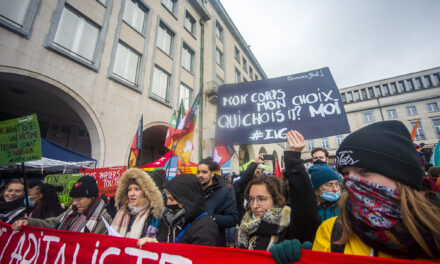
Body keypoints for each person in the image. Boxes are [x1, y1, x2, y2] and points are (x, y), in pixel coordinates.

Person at [272, 121, 440, 263]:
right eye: (346, 174)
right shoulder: (332, 233)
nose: (351, 182)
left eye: (364, 172)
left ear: (402, 175)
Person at [12, 176, 112, 234]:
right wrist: (29, 222)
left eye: (79, 199)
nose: (75, 203)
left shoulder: (102, 218)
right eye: (73, 199)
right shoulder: (71, 212)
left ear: (92, 197)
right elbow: (53, 223)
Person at [151, 174, 219, 246]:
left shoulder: (205, 227)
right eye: (167, 198)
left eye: (172, 199)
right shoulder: (178, 219)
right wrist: (154, 243)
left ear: (187, 200)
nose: (167, 203)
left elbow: (199, 256)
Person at [235, 175, 291, 250]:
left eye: (261, 199)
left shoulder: (288, 228)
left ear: (276, 200)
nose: (254, 205)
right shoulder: (244, 225)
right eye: (251, 199)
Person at [111, 168, 164, 240]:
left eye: (137, 189)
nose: (131, 194)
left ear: (147, 193)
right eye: (129, 189)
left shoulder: (155, 216)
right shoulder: (122, 211)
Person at [197, 158, 238, 246]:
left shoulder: (223, 192)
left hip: (214, 243)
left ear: (212, 173)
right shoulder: (194, 191)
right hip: (195, 242)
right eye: (198, 172)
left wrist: (211, 218)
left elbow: (233, 218)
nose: (200, 175)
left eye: (204, 172)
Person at [234, 153, 265, 220]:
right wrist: (255, 163)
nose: (258, 170)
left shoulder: (264, 183)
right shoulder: (244, 183)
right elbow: (243, 180)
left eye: (259, 169)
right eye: (256, 168)